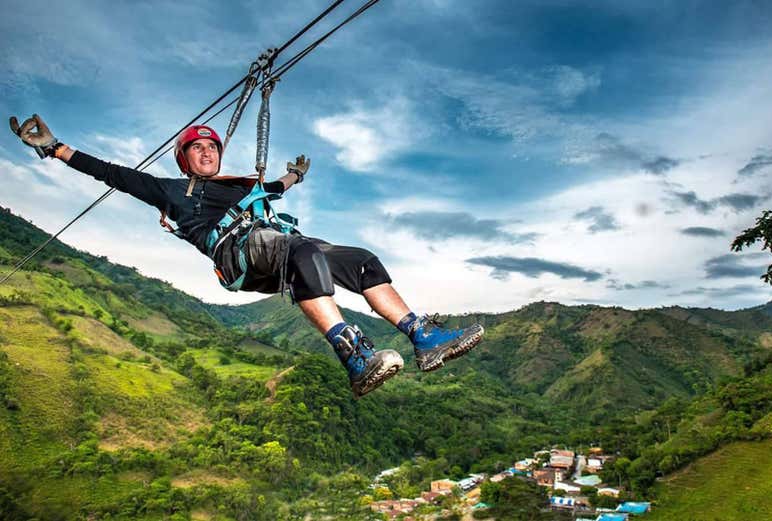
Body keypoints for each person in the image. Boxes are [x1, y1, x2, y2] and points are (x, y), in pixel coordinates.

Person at [9, 114, 485, 397]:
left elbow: (274, 188)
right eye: (196, 149)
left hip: (274, 246)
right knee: (302, 250)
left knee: (360, 259)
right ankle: (353, 355)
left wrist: (293, 177)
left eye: (210, 147)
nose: (205, 153)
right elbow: (111, 173)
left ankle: (421, 336)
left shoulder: (241, 185)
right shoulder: (172, 192)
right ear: (185, 160)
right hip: (240, 255)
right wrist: (55, 149)